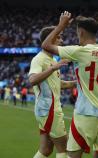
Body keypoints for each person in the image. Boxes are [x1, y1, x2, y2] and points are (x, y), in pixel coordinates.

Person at [41, 11, 98, 158]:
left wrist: (61, 25)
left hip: (85, 114)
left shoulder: (79, 51)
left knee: (73, 155)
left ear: (81, 32)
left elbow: (46, 45)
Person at [29, 26, 76, 158]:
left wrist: (77, 83)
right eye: (58, 37)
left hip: (46, 109)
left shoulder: (52, 60)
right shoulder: (40, 59)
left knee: (46, 149)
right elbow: (32, 79)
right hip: (50, 110)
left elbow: (57, 84)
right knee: (64, 149)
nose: (61, 41)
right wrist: (52, 68)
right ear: (49, 39)